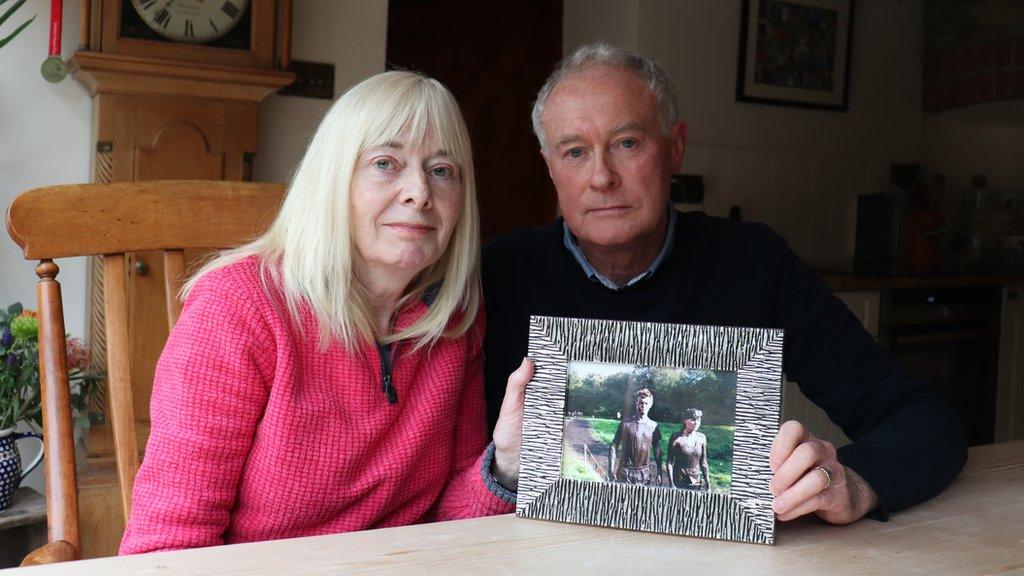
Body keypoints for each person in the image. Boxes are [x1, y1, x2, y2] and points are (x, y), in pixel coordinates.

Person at [482, 42, 967, 525]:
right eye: (574, 151)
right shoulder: (497, 275)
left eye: (627, 143)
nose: (602, 176)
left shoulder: (753, 262)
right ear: (549, 166)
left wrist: (857, 483)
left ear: (675, 148)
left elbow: (923, 418)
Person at [120, 71, 530, 554]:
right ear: (334, 179)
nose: (420, 192)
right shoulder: (237, 307)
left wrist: (505, 464)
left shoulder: (453, 318)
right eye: (385, 163)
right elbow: (165, 547)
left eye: (442, 170)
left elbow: (450, 525)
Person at [608, 388, 663, 485]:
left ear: (650, 404)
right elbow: (614, 446)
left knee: (642, 500)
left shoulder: (653, 426)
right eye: (641, 403)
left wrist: (659, 472)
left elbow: (657, 450)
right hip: (624, 472)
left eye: (646, 403)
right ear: (636, 403)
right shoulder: (625, 423)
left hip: (644, 474)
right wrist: (611, 469)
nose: (643, 406)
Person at [668, 409, 710, 491]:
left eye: (698, 420)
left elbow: (703, 462)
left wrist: (708, 485)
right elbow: (670, 461)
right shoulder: (676, 438)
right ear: (685, 420)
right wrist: (671, 484)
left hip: (695, 480)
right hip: (679, 480)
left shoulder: (702, 438)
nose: (696, 422)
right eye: (693, 420)